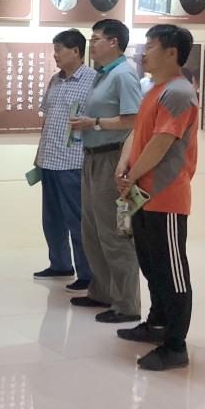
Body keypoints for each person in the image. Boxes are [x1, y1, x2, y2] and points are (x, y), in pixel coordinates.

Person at [115, 24, 198, 371]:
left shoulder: (179, 92)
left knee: (171, 271)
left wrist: (131, 175)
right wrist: (124, 167)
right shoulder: (153, 89)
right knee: (151, 265)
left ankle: (175, 345)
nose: (143, 52)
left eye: (150, 46)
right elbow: (139, 135)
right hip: (141, 194)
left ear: (171, 53)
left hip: (165, 195)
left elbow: (161, 143)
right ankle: (157, 323)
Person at [69, 20, 142, 321]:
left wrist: (95, 123)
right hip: (91, 158)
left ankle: (126, 305)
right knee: (92, 231)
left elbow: (134, 120)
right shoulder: (102, 74)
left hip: (112, 159)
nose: (92, 44)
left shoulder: (124, 75)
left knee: (115, 233)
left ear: (113, 42)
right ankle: (101, 291)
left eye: (96, 38)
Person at [34, 30, 96, 287]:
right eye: (54, 49)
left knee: (77, 220)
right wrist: (38, 154)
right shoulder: (55, 80)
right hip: (49, 160)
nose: (55, 55)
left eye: (59, 49)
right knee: (52, 219)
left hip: (73, 162)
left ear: (76, 51)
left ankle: (87, 274)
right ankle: (60, 264)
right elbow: (48, 119)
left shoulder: (93, 80)